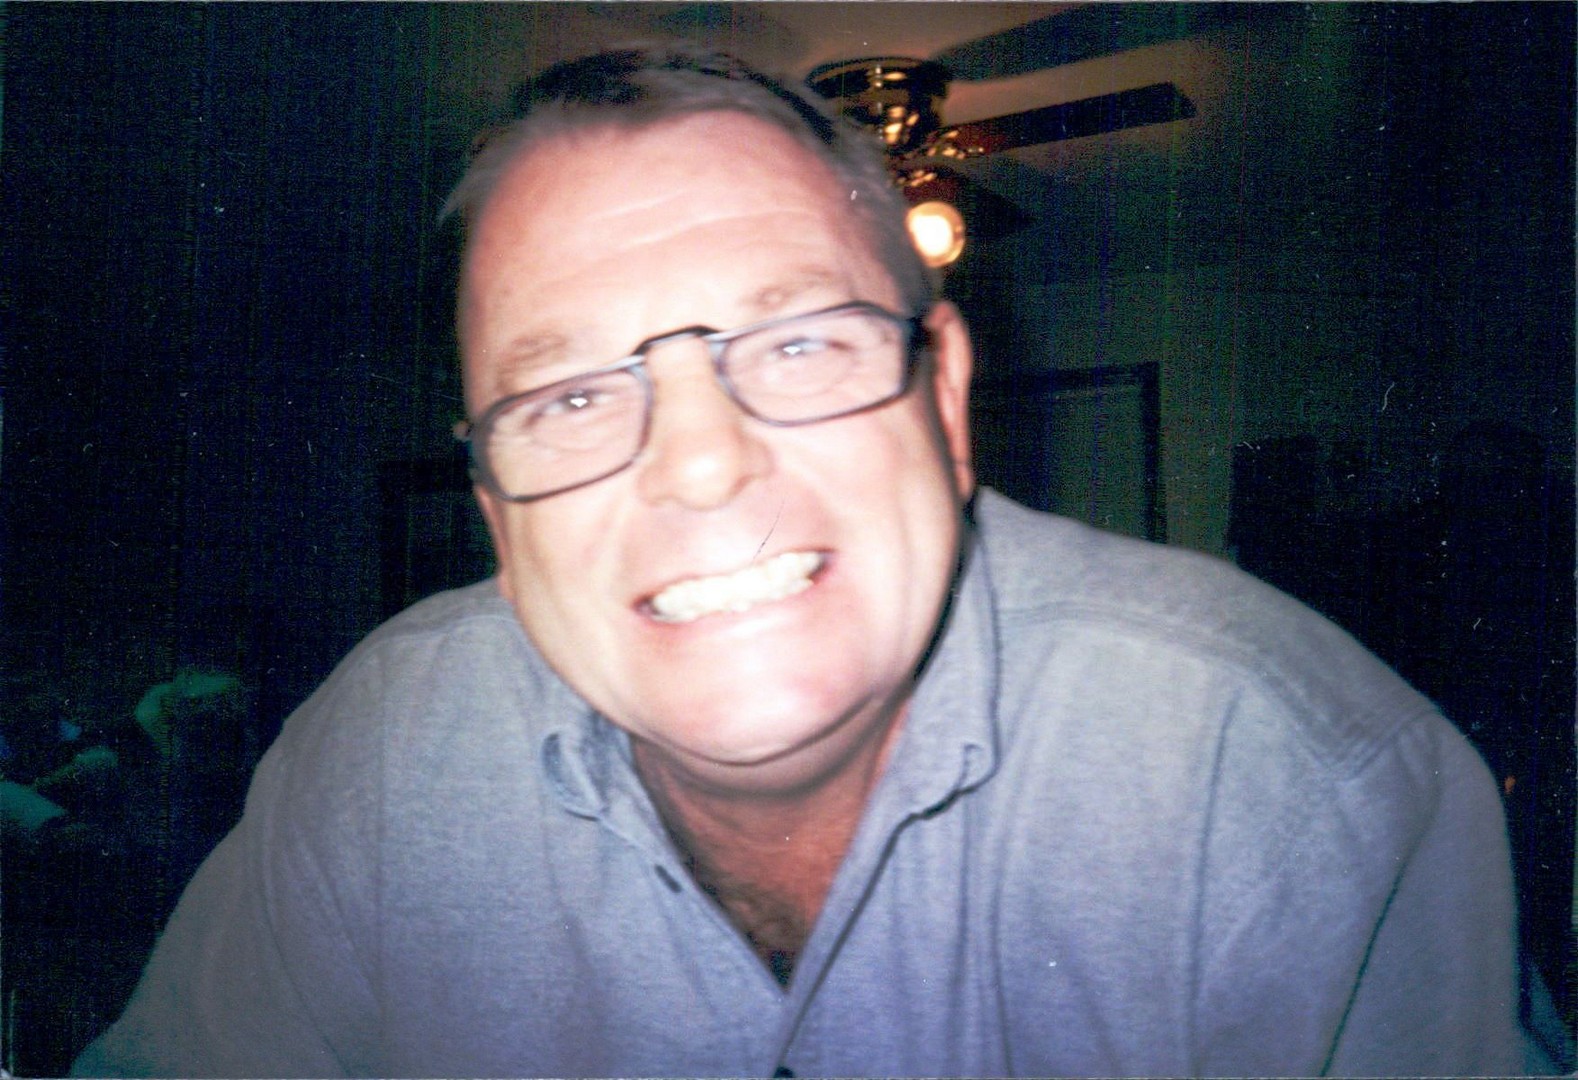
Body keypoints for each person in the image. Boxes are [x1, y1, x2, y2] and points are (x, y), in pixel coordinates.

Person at [73, 46, 1525, 1077]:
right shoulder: (379, 759)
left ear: (944, 409)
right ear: (497, 518)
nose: (701, 465)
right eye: (568, 397)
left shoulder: (1291, 783)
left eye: (800, 344)